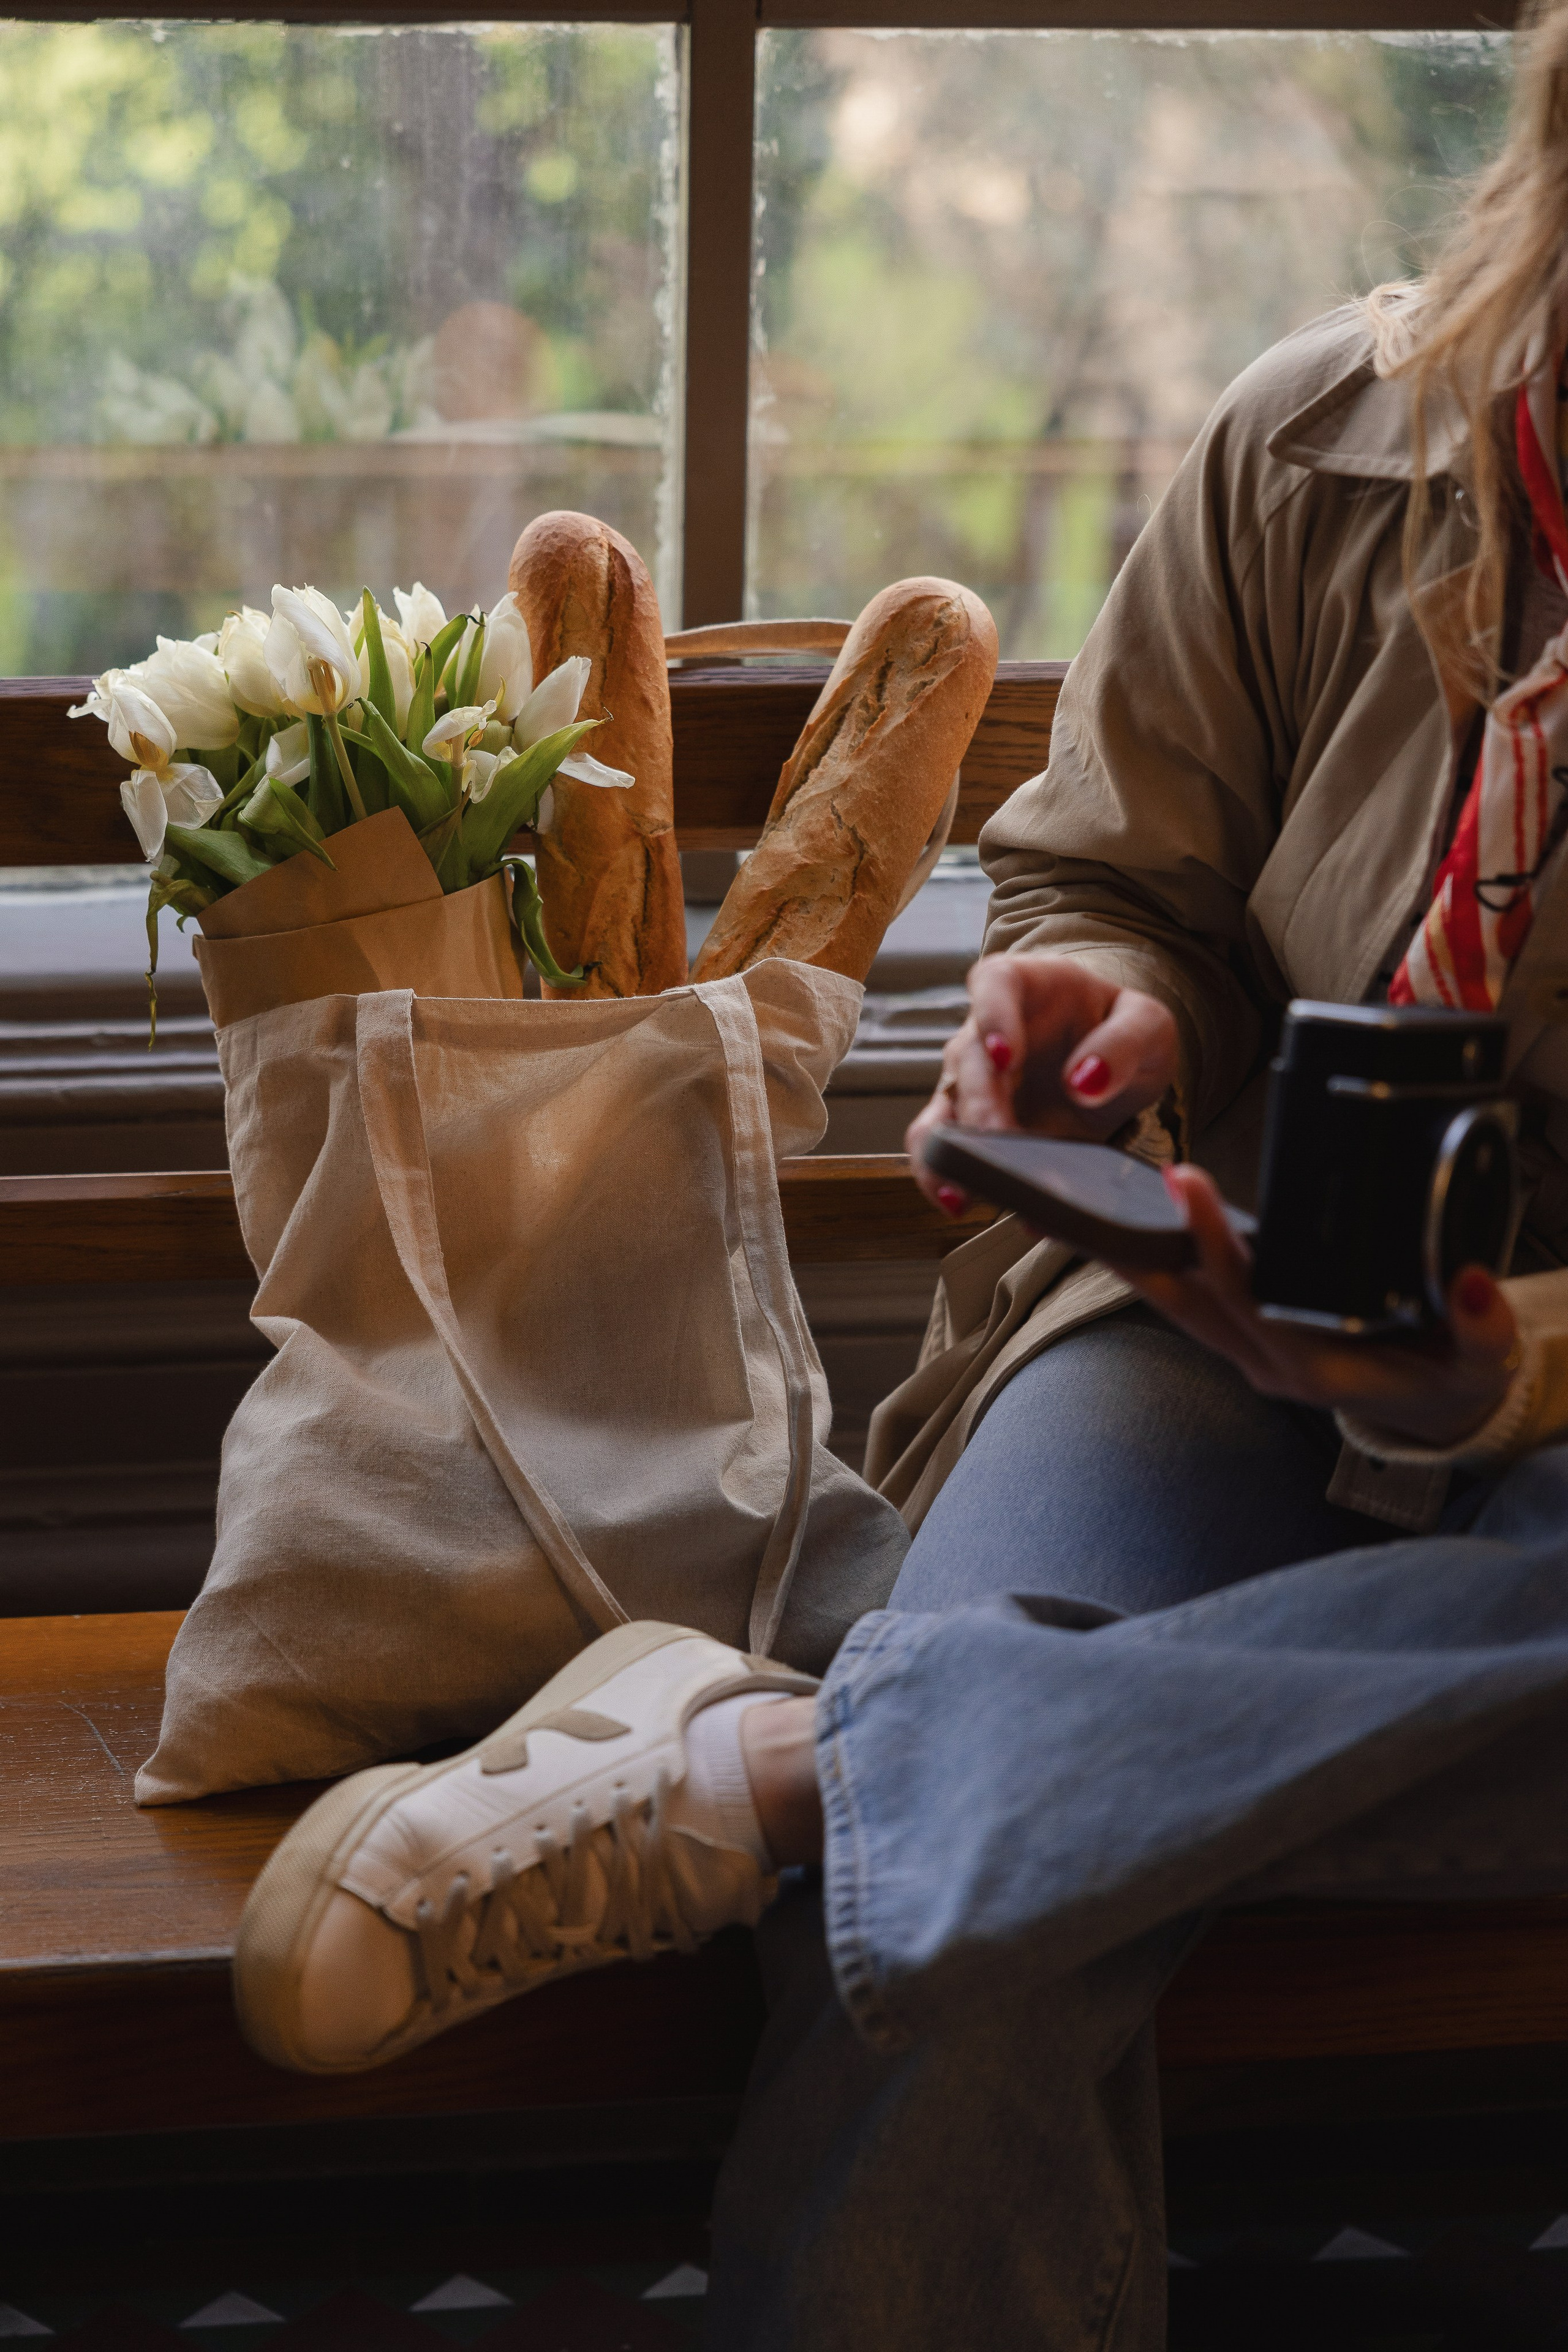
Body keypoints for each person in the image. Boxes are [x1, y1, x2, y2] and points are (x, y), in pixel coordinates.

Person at [235, 7, 1568, 2344]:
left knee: (947, 1861)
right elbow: (1098, 879)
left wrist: (1509, 1366)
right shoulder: (1323, 442)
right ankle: (894, 1754)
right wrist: (1122, 1011)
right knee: (965, 1936)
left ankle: (770, 1766)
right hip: (1213, 1321)